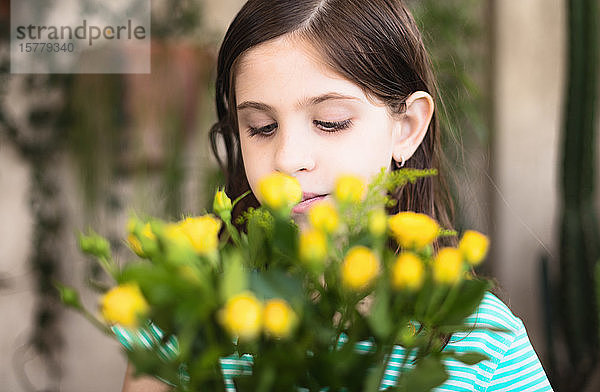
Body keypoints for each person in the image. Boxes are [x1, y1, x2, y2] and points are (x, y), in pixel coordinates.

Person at [119, 0, 553, 390]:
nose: (288, 158)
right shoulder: (185, 322)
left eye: (330, 121)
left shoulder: (483, 343)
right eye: (261, 128)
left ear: (406, 127)